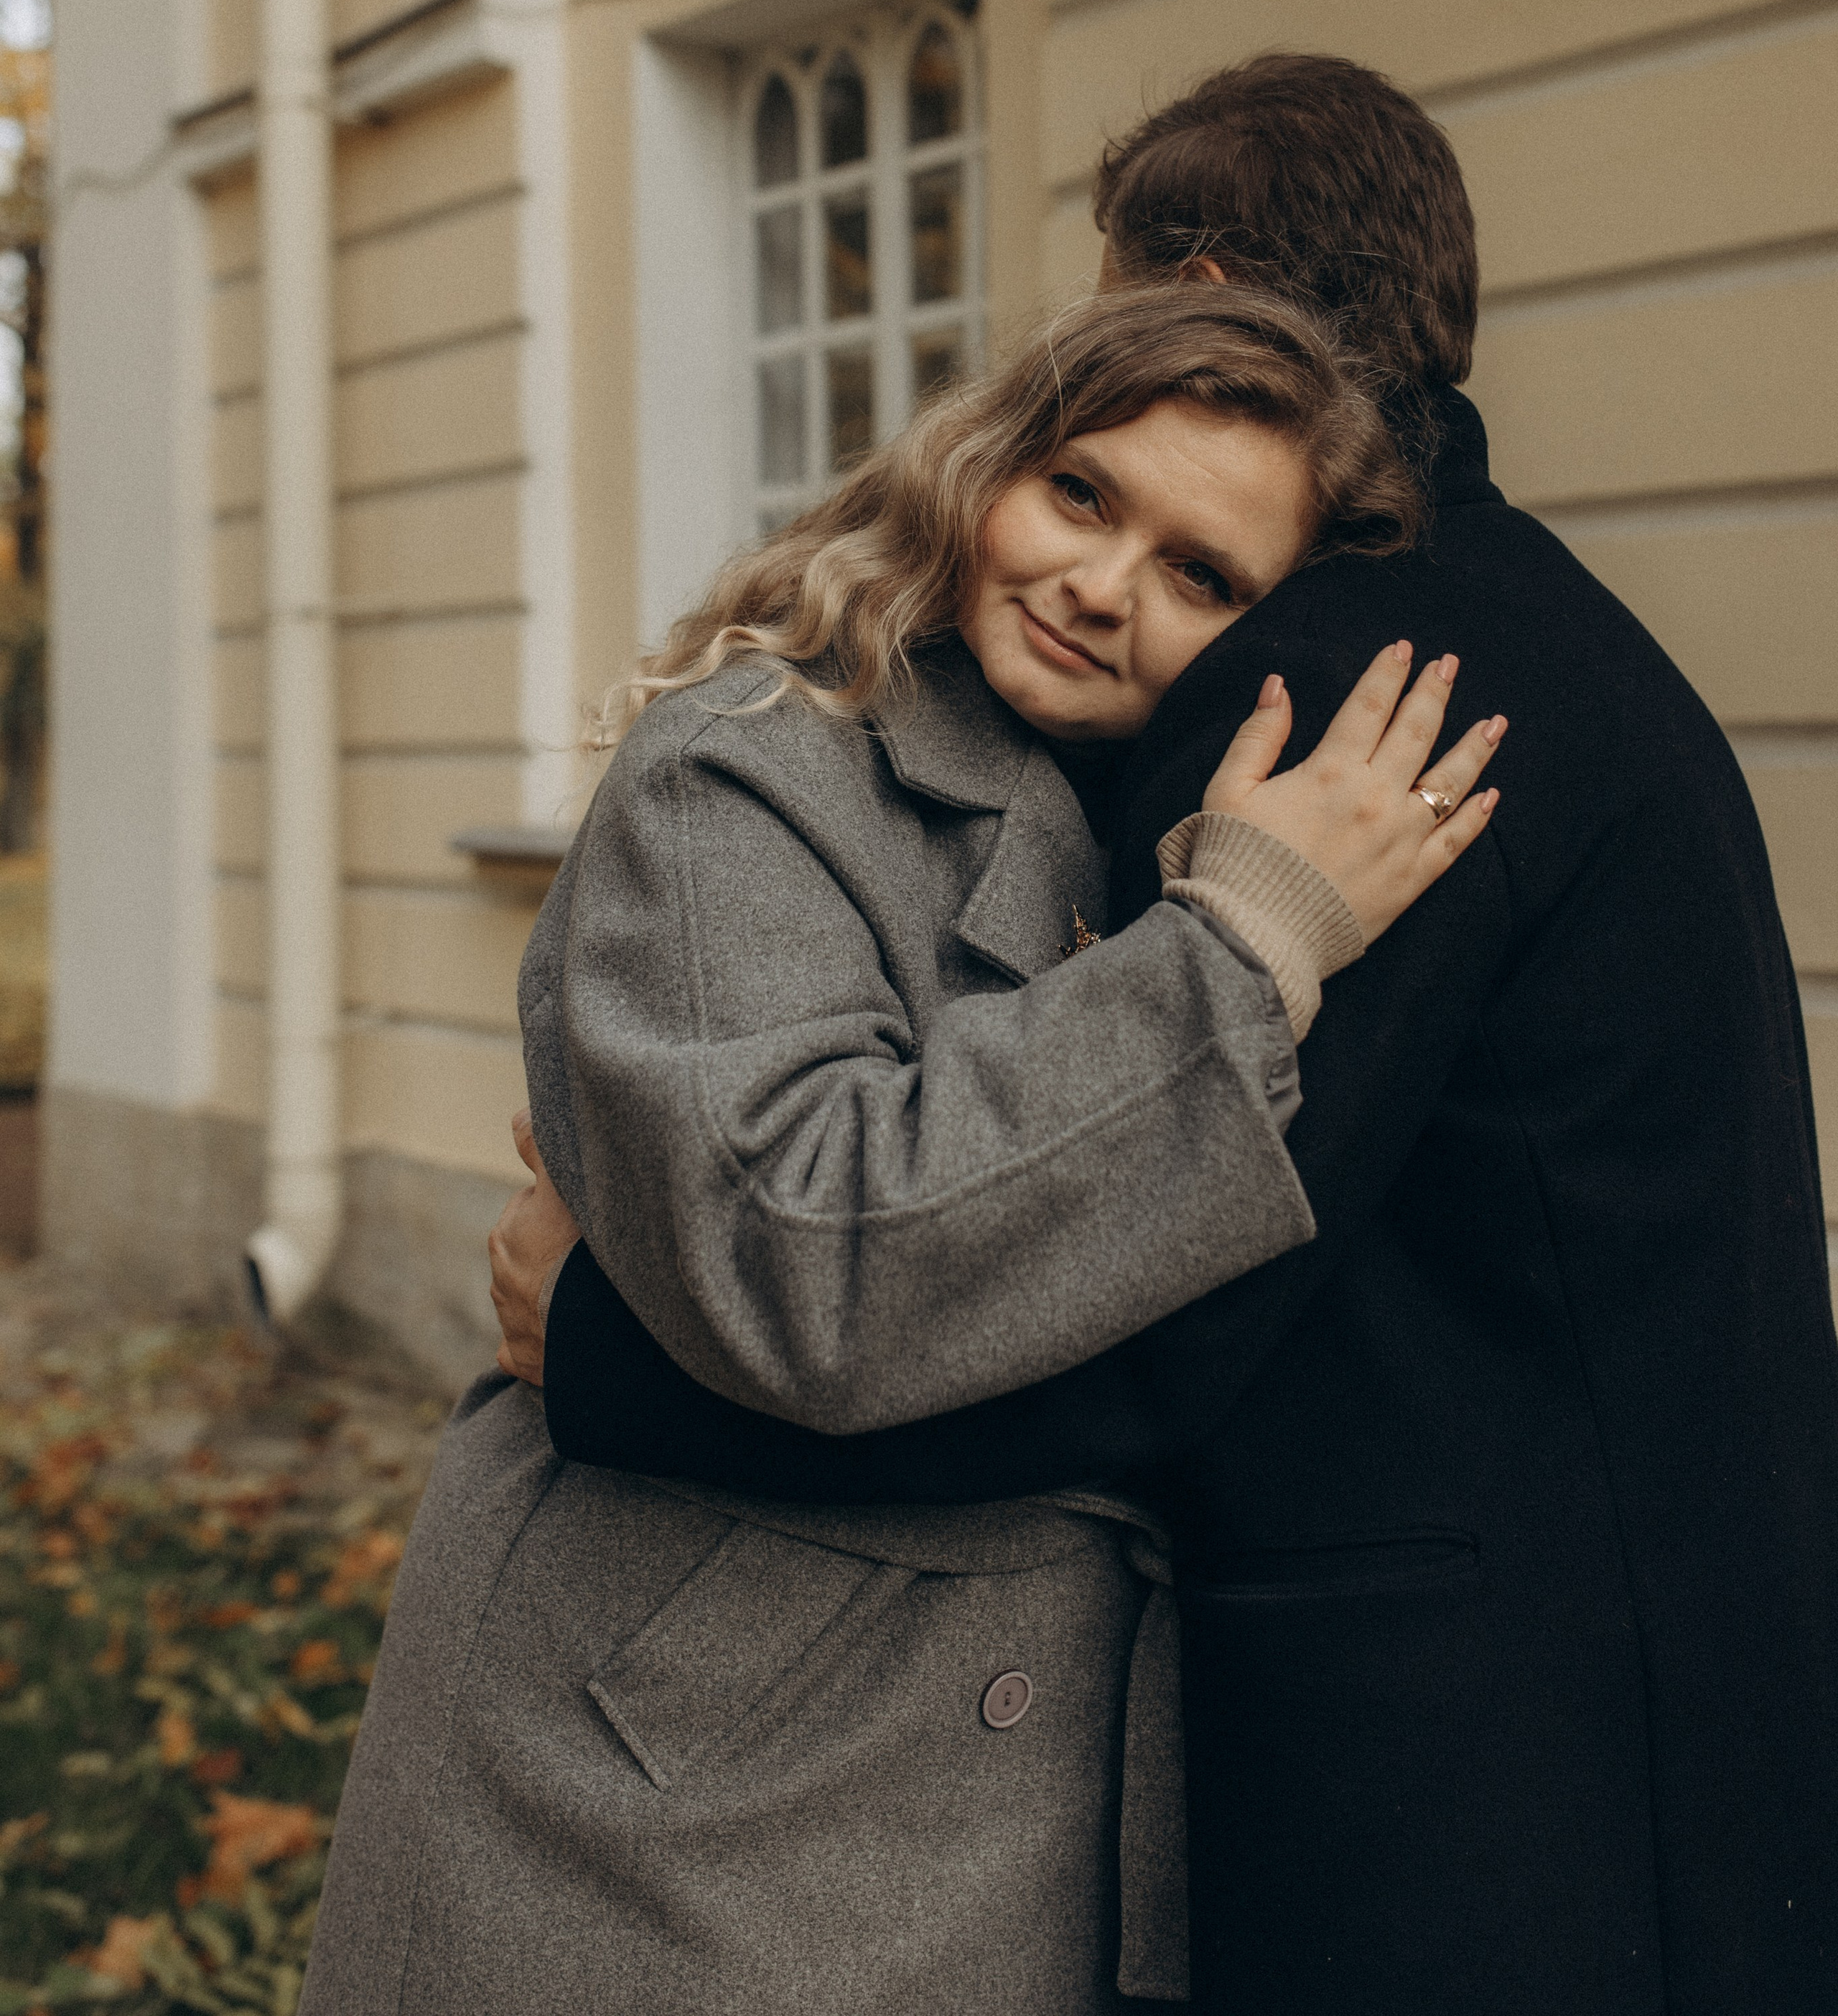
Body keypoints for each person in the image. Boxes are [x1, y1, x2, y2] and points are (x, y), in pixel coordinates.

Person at [508, 55, 1838, 2016]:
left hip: (1477, 1742)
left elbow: (1148, 1292)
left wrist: (615, 1354)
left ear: (1203, 292)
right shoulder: (1533, 627)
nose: (1123, 582)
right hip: (1658, 1653)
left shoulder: (1343, 687)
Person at [301, 284, 1503, 2016]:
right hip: (676, 1766)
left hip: (984, 1775)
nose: (1101, 585)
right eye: (1082, 497)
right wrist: (1238, 948)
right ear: (982, 465)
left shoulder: (1154, 799)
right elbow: (805, 1248)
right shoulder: (752, 766)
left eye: (1199, 576)